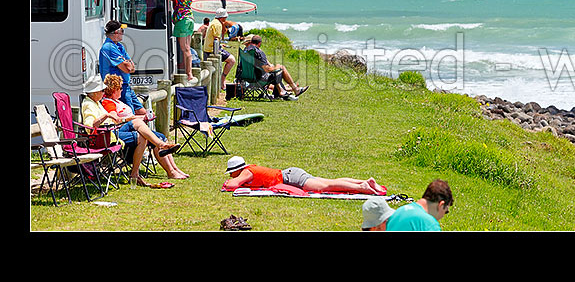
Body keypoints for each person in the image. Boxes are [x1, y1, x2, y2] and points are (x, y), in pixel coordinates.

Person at [81, 75, 183, 188]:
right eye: (101, 90)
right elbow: (90, 126)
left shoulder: (96, 102)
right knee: (142, 136)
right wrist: (106, 115)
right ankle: (139, 170)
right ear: (95, 92)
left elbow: (116, 120)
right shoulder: (89, 105)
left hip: (112, 131)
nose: (103, 92)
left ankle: (160, 151)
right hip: (105, 136)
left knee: (141, 127)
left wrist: (130, 118)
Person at [222, 156, 387, 195]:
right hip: (291, 173)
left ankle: (362, 187)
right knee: (328, 182)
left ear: (236, 169)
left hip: (291, 178)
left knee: (325, 187)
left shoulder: (246, 172)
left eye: (232, 172)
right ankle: (365, 182)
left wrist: (230, 180)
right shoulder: (250, 168)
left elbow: (231, 185)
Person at [98, 20, 149, 118]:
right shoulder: (108, 47)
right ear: (116, 32)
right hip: (118, 88)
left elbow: (131, 67)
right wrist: (127, 64)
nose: (123, 34)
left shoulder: (119, 46)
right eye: (122, 31)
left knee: (142, 112)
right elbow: (127, 69)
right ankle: (134, 133)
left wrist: (128, 65)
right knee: (130, 116)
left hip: (126, 86)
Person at [240, 34, 307, 100]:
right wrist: (277, 67)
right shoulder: (258, 52)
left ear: (251, 42)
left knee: (277, 70)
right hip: (259, 80)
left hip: (246, 78)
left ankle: (284, 90)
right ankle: (293, 90)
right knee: (281, 68)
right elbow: (267, 69)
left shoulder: (245, 51)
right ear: (259, 43)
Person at [386, 179, 453, 231]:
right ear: (441, 205)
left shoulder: (398, 212)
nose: (443, 216)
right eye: (446, 211)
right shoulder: (429, 224)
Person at [202, 8, 237, 90]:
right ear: (222, 17)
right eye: (225, 17)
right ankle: (222, 80)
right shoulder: (218, 25)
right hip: (212, 50)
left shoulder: (214, 22)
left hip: (207, 48)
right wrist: (216, 52)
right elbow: (216, 39)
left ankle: (220, 82)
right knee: (232, 60)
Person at [172, 0, 196, 80]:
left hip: (182, 19)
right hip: (190, 17)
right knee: (187, 48)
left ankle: (189, 74)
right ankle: (189, 72)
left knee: (184, 48)